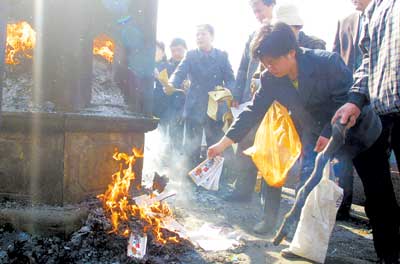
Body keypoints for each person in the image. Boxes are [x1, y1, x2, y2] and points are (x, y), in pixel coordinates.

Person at [208, 23, 380, 237]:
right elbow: (252, 111)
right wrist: (223, 143)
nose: (268, 67)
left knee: (377, 192)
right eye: (264, 63)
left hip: (359, 132)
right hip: (314, 132)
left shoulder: (326, 62)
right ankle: (302, 240)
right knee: (306, 181)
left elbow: (347, 99)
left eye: (272, 62)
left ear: (291, 52)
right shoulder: (270, 78)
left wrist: (329, 132)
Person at [332, 0, 400, 262]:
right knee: (376, 190)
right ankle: (388, 256)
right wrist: (355, 100)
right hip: (381, 111)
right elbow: (368, 60)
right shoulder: (375, 9)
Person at [226, 0, 276, 203]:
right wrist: (238, 93)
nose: (256, 13)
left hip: (274, 100)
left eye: (259, 9)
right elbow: (242, 67)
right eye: (253, 10)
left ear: (272, 5)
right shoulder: (252, 35)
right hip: (251, 97)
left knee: (270, 146)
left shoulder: (281, 30)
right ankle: (242, 190)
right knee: (245, 141)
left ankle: (268, 196)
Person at [169, 24, 235, 169]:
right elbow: (179, 73)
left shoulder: (222, 56)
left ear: (212, 37)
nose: (199, 37)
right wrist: (171, 83)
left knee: (215, 145)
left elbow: (231, 79)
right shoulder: (191, 55)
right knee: (191, 147)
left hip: (215, 108)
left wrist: (228, 92)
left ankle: (213, 180)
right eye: (197, 35)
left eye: (203, 34)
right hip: (194, 108)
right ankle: (189, 182)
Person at [332, 0, 372, 220]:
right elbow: (335, 57)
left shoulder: (385, 16)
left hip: (377, 98)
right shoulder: (344, 21)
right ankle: (342, 204)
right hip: (348, 97)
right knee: (343, 152)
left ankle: (375, 212)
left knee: (373, 155)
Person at [166, 38, 188, 152]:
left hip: (190, 107)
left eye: (179, 50)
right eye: (173, 51)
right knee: (174, 138)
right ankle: (174, 162)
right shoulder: (167, 66)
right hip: (172, 108)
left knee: (190, 139)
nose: (176, 54)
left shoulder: (192, 64)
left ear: (185, 49)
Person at [153, 41, 170, 134]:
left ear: (163, 53)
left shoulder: (168, 66)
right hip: (149, 107)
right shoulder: (147, 65)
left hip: (163, 109)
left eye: (156, 50)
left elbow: (170, 86)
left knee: (162, 138)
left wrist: (158, 76)